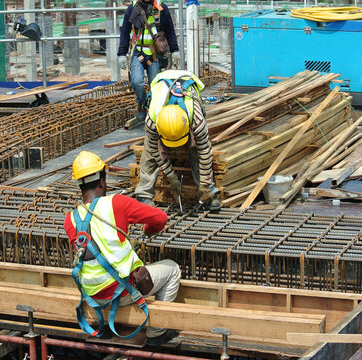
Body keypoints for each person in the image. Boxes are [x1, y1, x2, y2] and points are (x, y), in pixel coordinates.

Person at [64, 151, 181, 346]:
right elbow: (161, 218)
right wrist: (149, 231)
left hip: (93, 296)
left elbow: (93, 251)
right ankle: (157, 332)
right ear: (102, 181)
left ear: (80, 185)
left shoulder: (71, 219)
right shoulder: (117, 203)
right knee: (172, 269)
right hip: (123, 291)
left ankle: (109, 323)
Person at [134, 69, 221, 211]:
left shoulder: (196, 120)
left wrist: (205, 185)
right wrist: (171, 176)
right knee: (149, 151)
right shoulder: (152, 120)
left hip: (184, 85)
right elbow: (156, 151)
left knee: (197, 152)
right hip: (162, 81)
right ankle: (144, 194)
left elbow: (205, 152)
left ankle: (208, 193)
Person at [118, 0, 180, 123]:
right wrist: (121, 53)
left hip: (155, 55)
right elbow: (125, 32)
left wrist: (175, 50)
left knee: (155, 86)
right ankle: (142, 103)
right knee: (137, 82)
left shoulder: (161, 8)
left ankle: (152, 109)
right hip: (138, 52)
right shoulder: (133, 9)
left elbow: (170, 31)